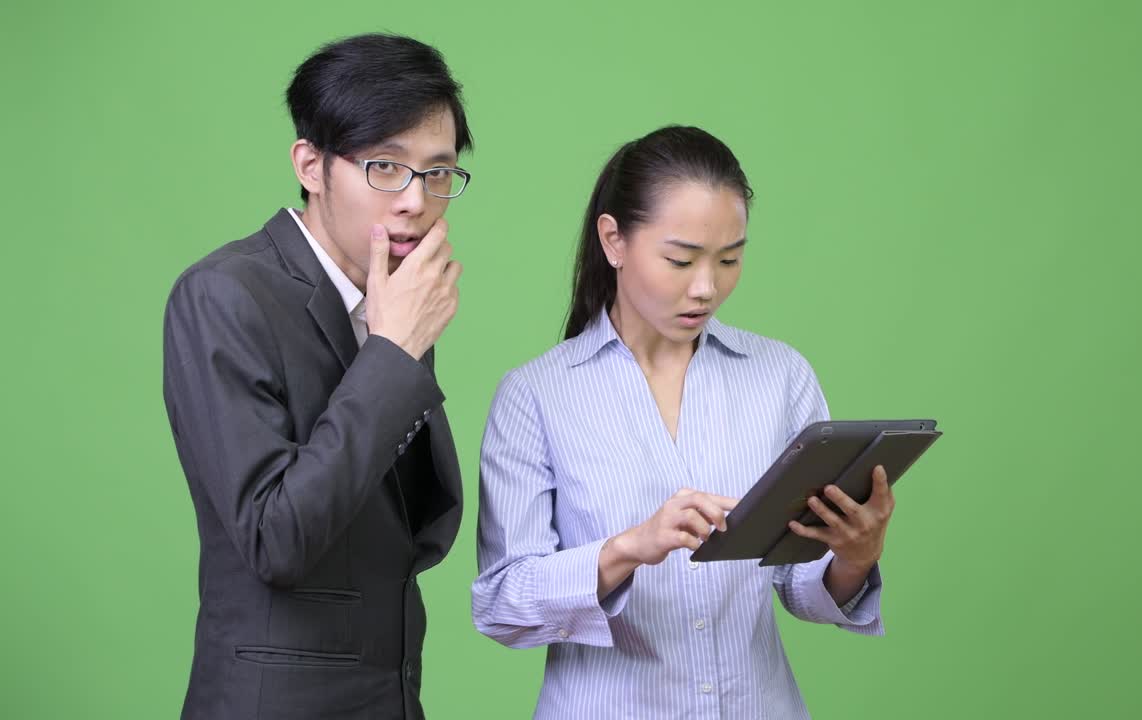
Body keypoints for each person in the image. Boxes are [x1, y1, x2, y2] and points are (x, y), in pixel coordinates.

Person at [472, 125, 894, 718]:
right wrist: (628, 548)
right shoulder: (536, 395)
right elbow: (502, 605)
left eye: (730, 259)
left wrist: (855, 555)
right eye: (680, 259)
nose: (706, 287)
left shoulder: (781, 376)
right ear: (613, 240)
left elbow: (799, 583)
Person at [162, 33, 471, 720]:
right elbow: (275, 539)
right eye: (385, 167)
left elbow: (405, 521)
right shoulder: (223, 294)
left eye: (439, 173)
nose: (416, 202)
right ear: (310, 164)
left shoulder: (390, 297)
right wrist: (392, 351)